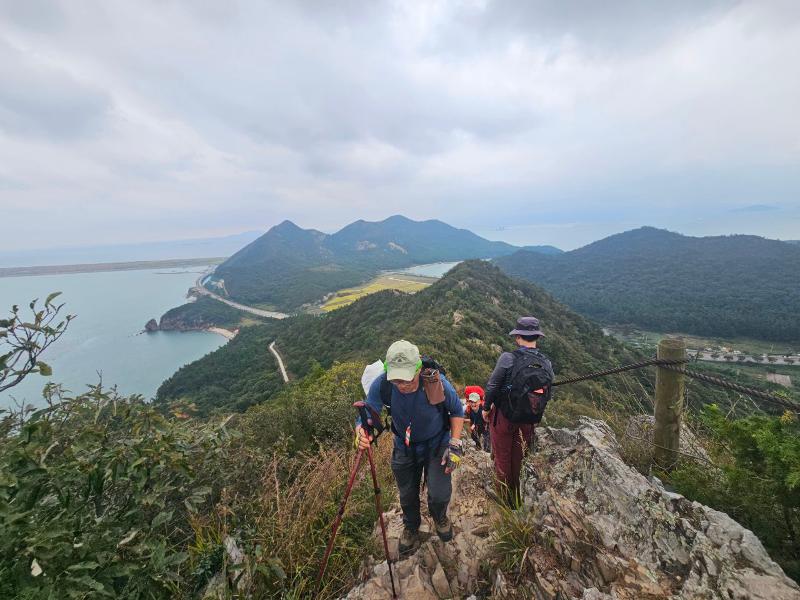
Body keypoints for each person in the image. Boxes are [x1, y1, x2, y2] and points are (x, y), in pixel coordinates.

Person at [356, 340, 465, 556]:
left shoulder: (436, 381)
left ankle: (439, 516)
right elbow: (368, 413)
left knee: (439, 492)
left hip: (437, 443)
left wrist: (454, 444)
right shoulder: (383, 385)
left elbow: (456, 411)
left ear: (418, 369)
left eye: (407, 379)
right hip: (404, 447)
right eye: (396, 380)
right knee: (406, 494)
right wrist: (360, 431)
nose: (402, 385)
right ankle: (411, 525)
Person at [483, 316, 554, 506]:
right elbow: (548, 393)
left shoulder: (508, 358)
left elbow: (492, 386)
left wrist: (486, 408)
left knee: (502, 456)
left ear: (517, 337)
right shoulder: (546, 363)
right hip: (528, 419)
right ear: (537, 337)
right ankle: (517, 497)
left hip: (505, 416)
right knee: (518, 457)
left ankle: (504, 498)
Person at [464, 385, 490, 451]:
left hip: (485, 427)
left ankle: (486, 450)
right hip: (477, 427)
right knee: (474, 435)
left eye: (475, 402)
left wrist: (474, 424)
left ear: (479, 401)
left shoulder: (483, 409)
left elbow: (480, 419)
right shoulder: (469, 409)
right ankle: (478, 447)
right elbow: (472, 419)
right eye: (471, 402)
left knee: (486, 440)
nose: (473, 404)